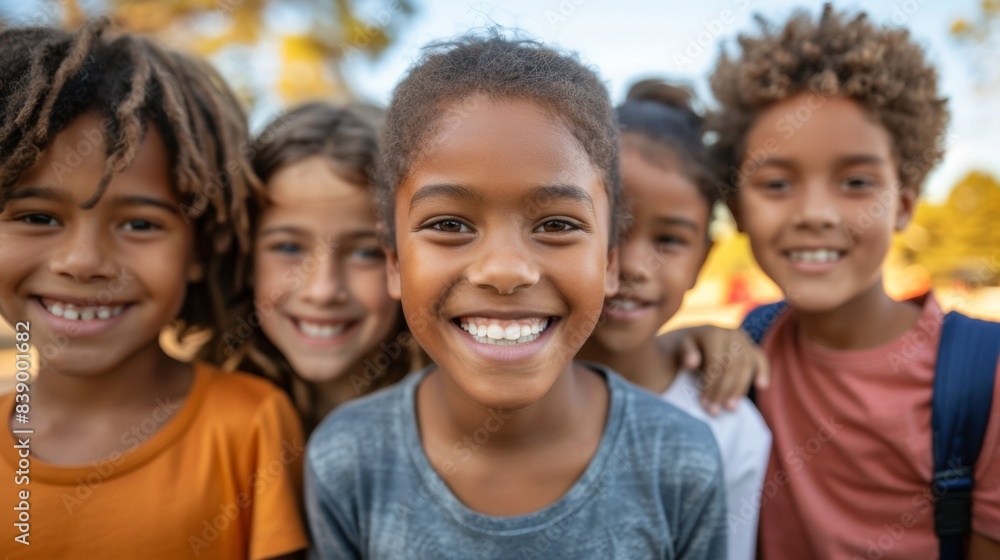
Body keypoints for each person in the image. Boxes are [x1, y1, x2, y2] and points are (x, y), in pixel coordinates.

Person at [305, 34, 727, 559]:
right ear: (394, 261)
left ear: (610, 261)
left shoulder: (681, 460)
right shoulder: (347, 459)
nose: (504, 271)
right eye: (449, 224)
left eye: (555, 223)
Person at [0, 20, 307, 559]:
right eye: (38, 217)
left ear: (198, 249)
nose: (83, 262)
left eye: (140, 224)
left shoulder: (249, 423)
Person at [705, 5, 1000, 558]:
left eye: (856, 181)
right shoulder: (745, 351)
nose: (815, 212)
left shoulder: (986, 378)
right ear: (737, 209)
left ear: (905, 204)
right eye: (776, 182)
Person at [577, 79, 770, 560]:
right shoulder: (501, 385)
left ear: (704, 259)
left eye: (669, 241)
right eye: (611, 229)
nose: (636, 266)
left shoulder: (727, 429)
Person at [219, 102, 421, 431]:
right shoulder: (216, 421)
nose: (323, 290)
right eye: (287, 247)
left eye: (366, 253)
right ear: (246, 256)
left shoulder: (450, 423)